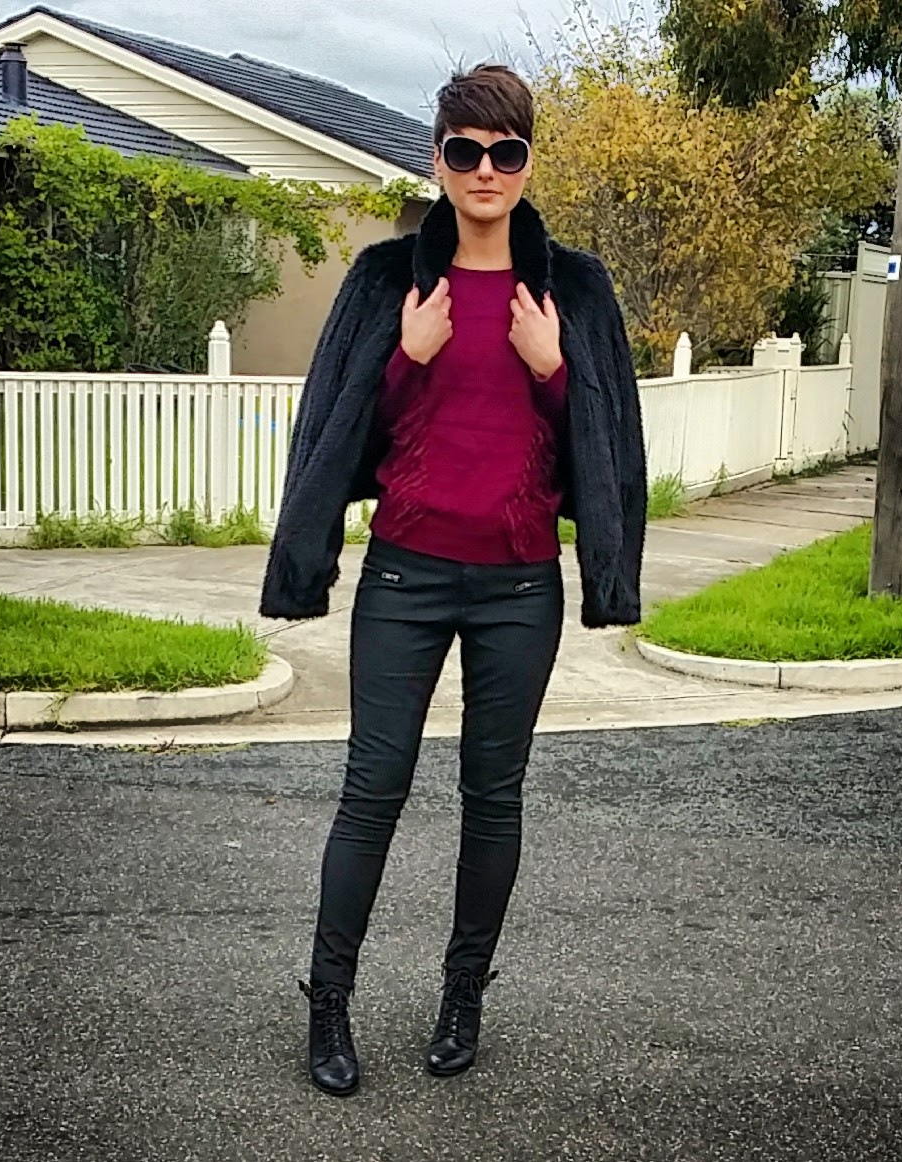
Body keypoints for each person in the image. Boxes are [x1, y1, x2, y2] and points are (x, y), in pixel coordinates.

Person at [260, 62, 646, 1097]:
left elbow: (608, 445)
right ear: (437, 160)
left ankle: (462, 993)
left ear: (526, 163)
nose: (485, 170)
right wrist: (405, 355)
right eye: (464, 151)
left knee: (492, 798)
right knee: (371, 791)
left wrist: (553, 368)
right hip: (405, 576)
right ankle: (328, 1003)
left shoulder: (574, 292)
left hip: (519, 588)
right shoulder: (387, 282)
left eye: (504, 152)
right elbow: (338, 434)